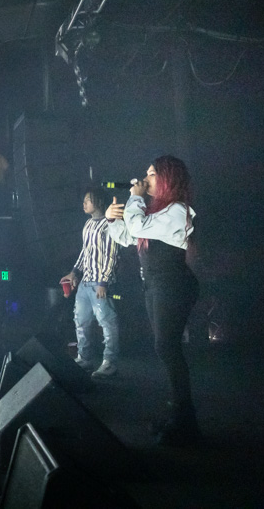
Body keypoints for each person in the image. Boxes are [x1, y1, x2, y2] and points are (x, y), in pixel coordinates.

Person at [105, 156, 200, 446]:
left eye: (151, 174)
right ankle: (179, 415)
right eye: (145, 174)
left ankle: (185, 421)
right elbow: (127, 237)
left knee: (166, 347)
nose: (145, 179)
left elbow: (137, 227)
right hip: (156, 284)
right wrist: (110, 219)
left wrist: (133, 199)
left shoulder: (178, 211)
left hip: (173, 284)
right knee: (165, 348)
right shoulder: (155, 213)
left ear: (167, 178)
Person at [60, 187, 120, 378]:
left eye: (88, 200)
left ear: (98, 201)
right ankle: (84, 358)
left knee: (106, 322)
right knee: (81, 320)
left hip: (99, 282)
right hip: (86, 282)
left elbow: (112, 254)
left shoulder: (108, 224)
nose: (84, 203)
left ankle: (110, 362)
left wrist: (104, 281)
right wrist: (74, 271)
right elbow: (85, 251)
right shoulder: (87, 224)